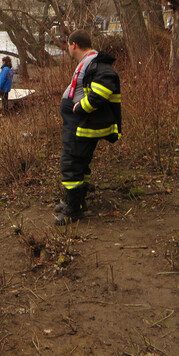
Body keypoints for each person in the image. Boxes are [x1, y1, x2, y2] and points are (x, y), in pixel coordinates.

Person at [55, 29, 122, 225]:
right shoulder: (90, 62)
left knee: (71, 163)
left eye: (68, 45)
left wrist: (80, 107)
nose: (67, 48)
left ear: (73, 44)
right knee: (79, 163)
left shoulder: (98, 63)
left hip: (82, 124)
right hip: (77, 124)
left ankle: (73, 210)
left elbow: (103, 91)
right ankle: (75, 201)